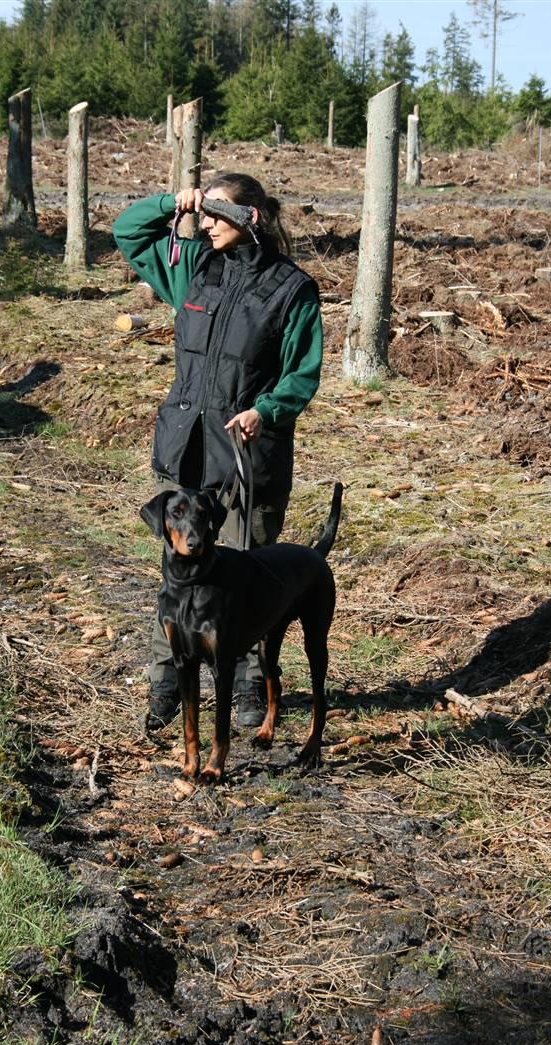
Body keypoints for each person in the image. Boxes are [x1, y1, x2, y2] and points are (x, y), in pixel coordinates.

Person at [113, 173, 323, 730]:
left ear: (250, 216)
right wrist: (172, 202)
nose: (205, 222)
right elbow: (128, 231)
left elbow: (302, 373)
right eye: (202, 212)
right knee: (178, 576)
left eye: (216, 211)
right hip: (188, 452)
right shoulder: (191, 268)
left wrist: (266, 409)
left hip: (250, 456)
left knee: (247, 573)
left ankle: (252, 685)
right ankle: (167, 681)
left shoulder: (291, 288)